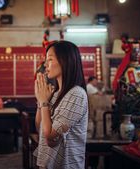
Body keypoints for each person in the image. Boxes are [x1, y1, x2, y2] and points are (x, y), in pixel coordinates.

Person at [34, 41, 88, 169]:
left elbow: (51, 136)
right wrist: (40, 101)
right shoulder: (55, 93)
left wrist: (44, 102)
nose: (46, 65)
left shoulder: (76, 94)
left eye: (50, 59)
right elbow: (39, 127)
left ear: (65, 61)